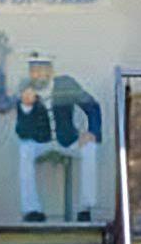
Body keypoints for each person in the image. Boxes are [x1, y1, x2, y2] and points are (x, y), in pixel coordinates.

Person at [13, 54, 101, 222]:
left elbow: (92, 106)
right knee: (25, 149)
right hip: (42, 142)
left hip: (67, 139)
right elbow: (22, 132)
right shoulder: (25, 90)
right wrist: (26, 107)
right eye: (34, 70)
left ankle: (85, 208)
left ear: (51, 71)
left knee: (90, 148)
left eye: (42, 69)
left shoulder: (66, 85)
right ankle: (32, 210)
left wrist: (92, 132)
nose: (38, 74)